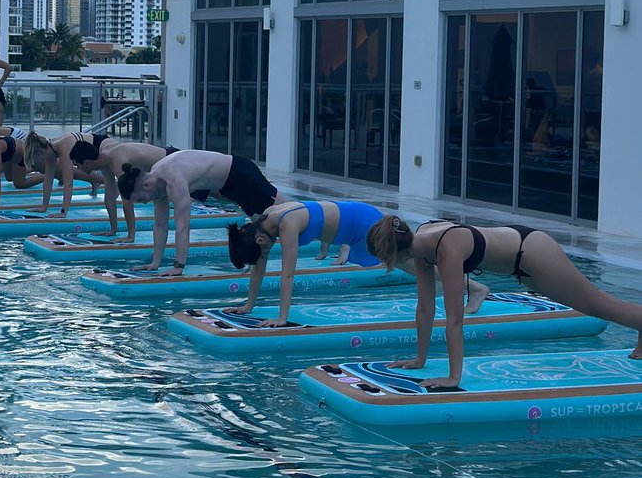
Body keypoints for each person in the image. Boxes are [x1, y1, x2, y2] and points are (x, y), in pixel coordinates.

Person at [366, 216, 642, 390]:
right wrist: (420, 359)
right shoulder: (421, 245)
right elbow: (425, 308)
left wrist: (453, 378)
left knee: (596, 305)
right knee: (595, 305)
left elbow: (455, 319)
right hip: (517, 263)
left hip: (531, 251)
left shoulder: (447, 249)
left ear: (391, 253)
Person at [116, 149, 288, 276]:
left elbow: (182, 227)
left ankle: (312, 224)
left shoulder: (174, 180)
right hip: (228, 185)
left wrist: (179, 266)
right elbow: (160, 224)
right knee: (261, 219)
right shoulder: (156, 181)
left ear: (146, 185)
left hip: (241, 173)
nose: (144, 202)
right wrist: (155, 263)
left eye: (140, 199)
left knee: (281, 213)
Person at [223, 199, 385, 326]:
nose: (265, 255)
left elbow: (287, 275)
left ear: (259, 240)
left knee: (398, 259)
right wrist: (248, 306)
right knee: (387, 259)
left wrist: (282, 318)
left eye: (263, 252)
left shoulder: (287, 225)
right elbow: (258, 269)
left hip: (365, 224)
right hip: (354, 220)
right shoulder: (266, 219)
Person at [69, 137, 172, 242]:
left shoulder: (118, 161)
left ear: (86, 162)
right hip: (163, 163)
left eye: (77, 165)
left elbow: (127, 200)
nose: (77, 169)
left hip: (170, 158)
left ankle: (131, 234)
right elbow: (109, 198)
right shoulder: (104, 160)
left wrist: (130, 236)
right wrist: (113, 230)